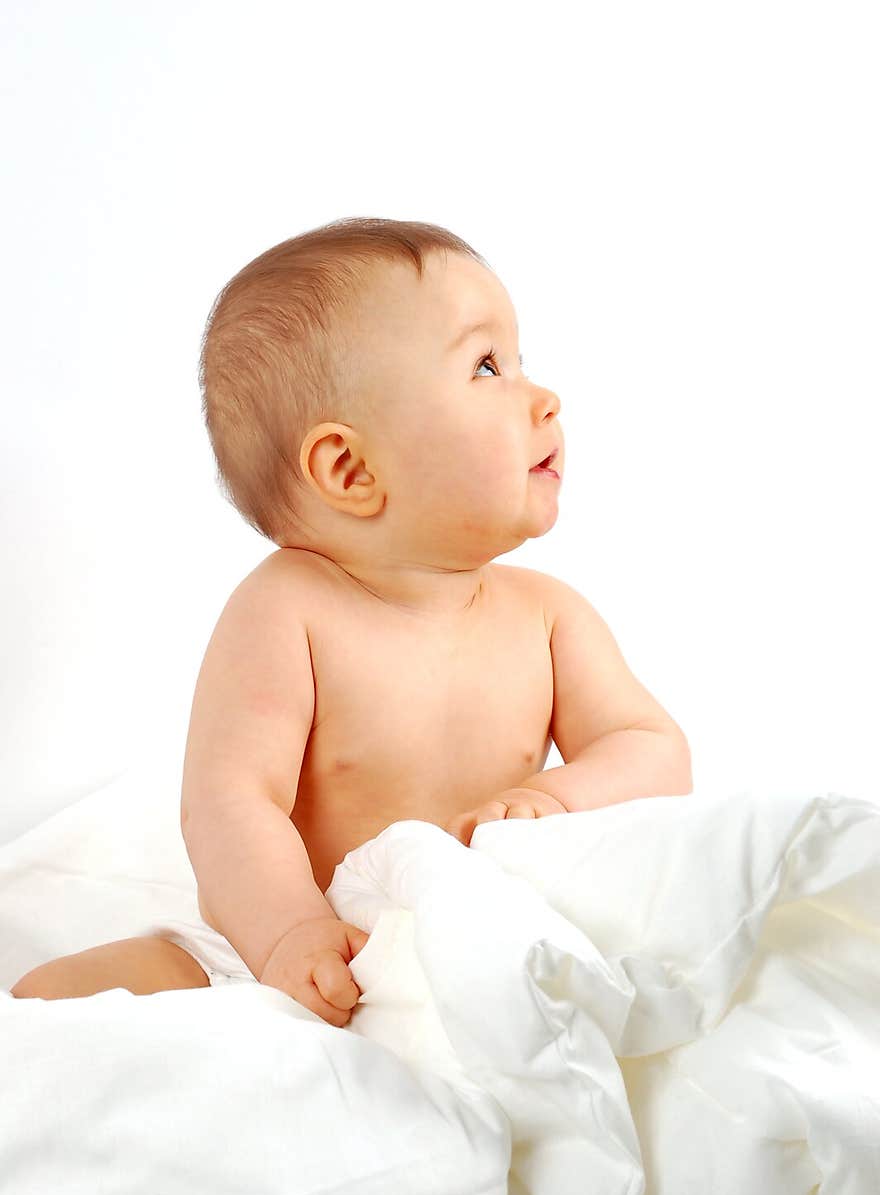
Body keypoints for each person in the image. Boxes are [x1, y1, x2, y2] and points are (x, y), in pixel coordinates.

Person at [11, 216, 692, 1025]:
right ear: (349, 468)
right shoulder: (287, 611)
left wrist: (557, 798)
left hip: (493, 929)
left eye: (519, 362)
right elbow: (231, 802)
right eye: (485, 366)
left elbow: (653, 752)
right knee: (58, 993)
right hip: (304, 936)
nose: (543, 399)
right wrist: (289, 934)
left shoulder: (549, 618)